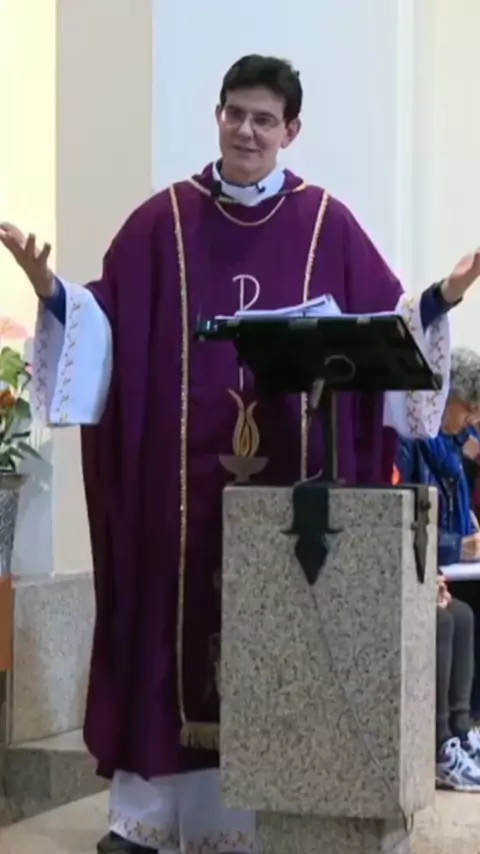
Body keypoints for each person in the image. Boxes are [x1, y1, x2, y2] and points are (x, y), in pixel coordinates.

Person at [1, 54, 480, 853]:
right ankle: (151, 815)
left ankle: (273, 812)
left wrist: (440, 299)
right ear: (217, 116)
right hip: (179, 499)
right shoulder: (161, 223)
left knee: (282, 637)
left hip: (292, 499)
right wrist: (50, 291)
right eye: (235, 114)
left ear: (292, 130)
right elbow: (106, 331)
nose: (246, 131)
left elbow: (388, 333)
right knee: (168, 629)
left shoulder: (327, 223)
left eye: (264, 119)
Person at [397, 347, 480, 763]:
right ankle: (439, 743)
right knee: (448, 620)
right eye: (469, 408)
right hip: (412, 568)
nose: (473, 419)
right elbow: (403, 521)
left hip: (440, 571)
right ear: (444, 397)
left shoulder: (452, 445)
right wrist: (454, 547)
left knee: (463, 615)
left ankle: (461, 734)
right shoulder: (411, 442)